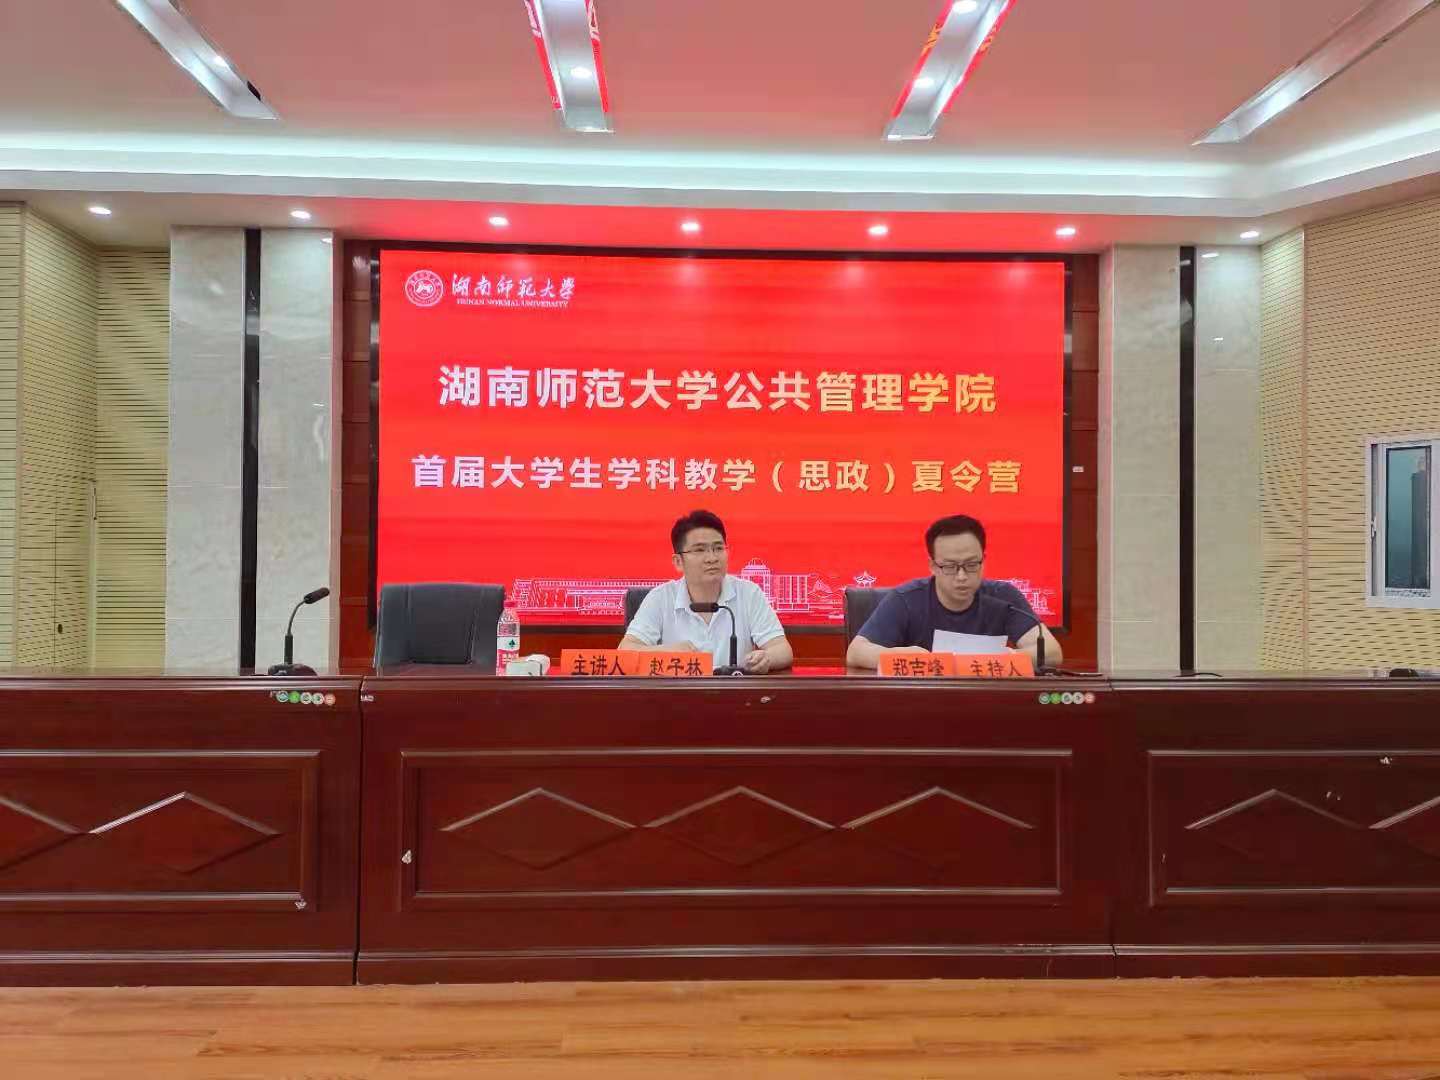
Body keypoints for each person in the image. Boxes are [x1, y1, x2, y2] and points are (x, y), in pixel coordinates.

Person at [846, 513, 1062, 671]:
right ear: (932, 566)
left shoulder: (1004, 597)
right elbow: (856, 652)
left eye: (971, 565)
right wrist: (905, 656)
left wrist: (1004, 657)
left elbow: (1051, 653)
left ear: (983, 560)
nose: (961, 576)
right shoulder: (906, 600)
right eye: (950, 566)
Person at [620, 509, 794, 674]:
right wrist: (668, 652)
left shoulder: (748, 593)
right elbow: (625, 651)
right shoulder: (660, 598)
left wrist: (766, 658)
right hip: (677, 693)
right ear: (678, 561)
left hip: (734, 692)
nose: (712, 558)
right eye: (700, 550)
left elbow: (782, 649)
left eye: (718, 548)